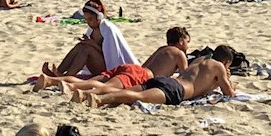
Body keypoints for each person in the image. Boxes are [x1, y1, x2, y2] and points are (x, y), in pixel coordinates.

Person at [72, 45, 238, 108]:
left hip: (168, 80)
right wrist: (230, 84)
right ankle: (99, 100)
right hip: (177, 90)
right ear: (226, 62)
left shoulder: (202, 59)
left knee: (132, 90)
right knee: (136, 96)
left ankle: (87, 94)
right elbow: (228, 93)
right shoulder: (219, 67)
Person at [38, 26, 189, 92]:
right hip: (142, 76)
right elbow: (186, 78)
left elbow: (144, 65)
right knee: (99, 86)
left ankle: (52, 80)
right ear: (182, 41)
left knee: (94, 80)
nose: (187, 46)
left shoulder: (161, 49)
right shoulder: (179, 54)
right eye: (187, 42)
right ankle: (62, 84)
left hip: (131, 68)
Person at [39, 0, 135, 81]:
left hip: (108, 67)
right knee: (81, 46)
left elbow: (111, 54)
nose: (89, 23)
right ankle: (58, 72)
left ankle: (67, 77)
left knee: (87, 49)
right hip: (97, 63)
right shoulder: (92, 29)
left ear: (99, 17)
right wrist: (87, 42)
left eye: (90, 19)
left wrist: (91, 44)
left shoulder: (107, 28)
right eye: (86, 20)